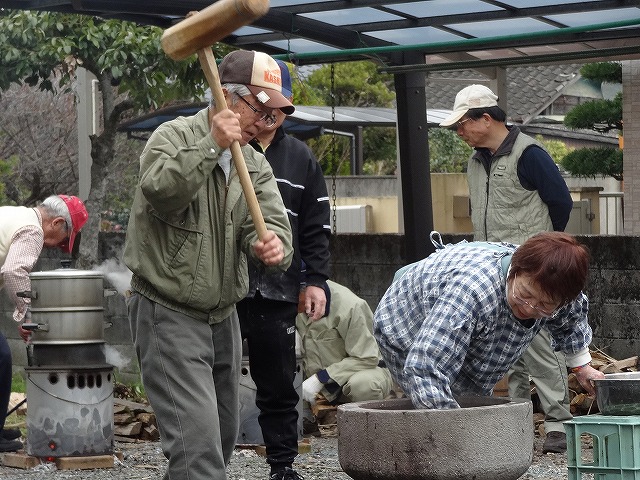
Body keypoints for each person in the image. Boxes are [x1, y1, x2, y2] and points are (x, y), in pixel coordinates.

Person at [123, 50, 294, 480]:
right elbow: (160, 191)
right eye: (262, 110)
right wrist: (211, 146)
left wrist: (270, 248)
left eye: (276, 117)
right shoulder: (173, 137)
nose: (266, 124)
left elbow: (273, 230)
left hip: (224, 319)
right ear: (228, 98)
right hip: (169, 312)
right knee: (196, 449)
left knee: (219, 440)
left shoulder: (255, 165)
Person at [439, 84, 575, 454]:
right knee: (505, 345)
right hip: (494, 269)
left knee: (540, 344)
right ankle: (516, 418)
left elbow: (560, 203)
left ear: (486, 117)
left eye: (462, 124)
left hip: (532, 270)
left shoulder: (529, 155)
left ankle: (559, 424)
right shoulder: (475, 160)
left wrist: (544, 253)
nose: (459, 132)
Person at [373, 232, 604, 418]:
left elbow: (572, 320)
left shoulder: (563, 295)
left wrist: (581, 367)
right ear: (515, 269)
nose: (529, 308)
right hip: (406, 321)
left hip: (464, 316)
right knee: (438, 400)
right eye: (524, 294)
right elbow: (425, 368)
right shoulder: (472, 292)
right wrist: (454, 431)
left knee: (473, 396)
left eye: (544, 306)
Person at [236, 60, 331, 480]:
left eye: (281, 106)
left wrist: (316, 281)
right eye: (264, 105)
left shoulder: (300, 157)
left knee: (277, 381)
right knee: (215, 373)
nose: (271, 114)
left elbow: (317, 226)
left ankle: (282, 465)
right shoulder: (228, 146)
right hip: (226, 284)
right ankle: (205, 460)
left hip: (278, 288)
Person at [0, 194, 88, 452]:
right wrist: (28, 314)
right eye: (65, 237)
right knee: (1, 357)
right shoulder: (32, 230)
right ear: (57, 222)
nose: (59, 245)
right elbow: (15, 271)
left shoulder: (16, 214)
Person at [297, 279, 393, 410]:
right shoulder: (294, 304)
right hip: (321, 386)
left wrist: (320, 378)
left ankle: (364, 423)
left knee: (362, 386)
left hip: (363, 371)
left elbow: (367, 358)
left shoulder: (351, 306)